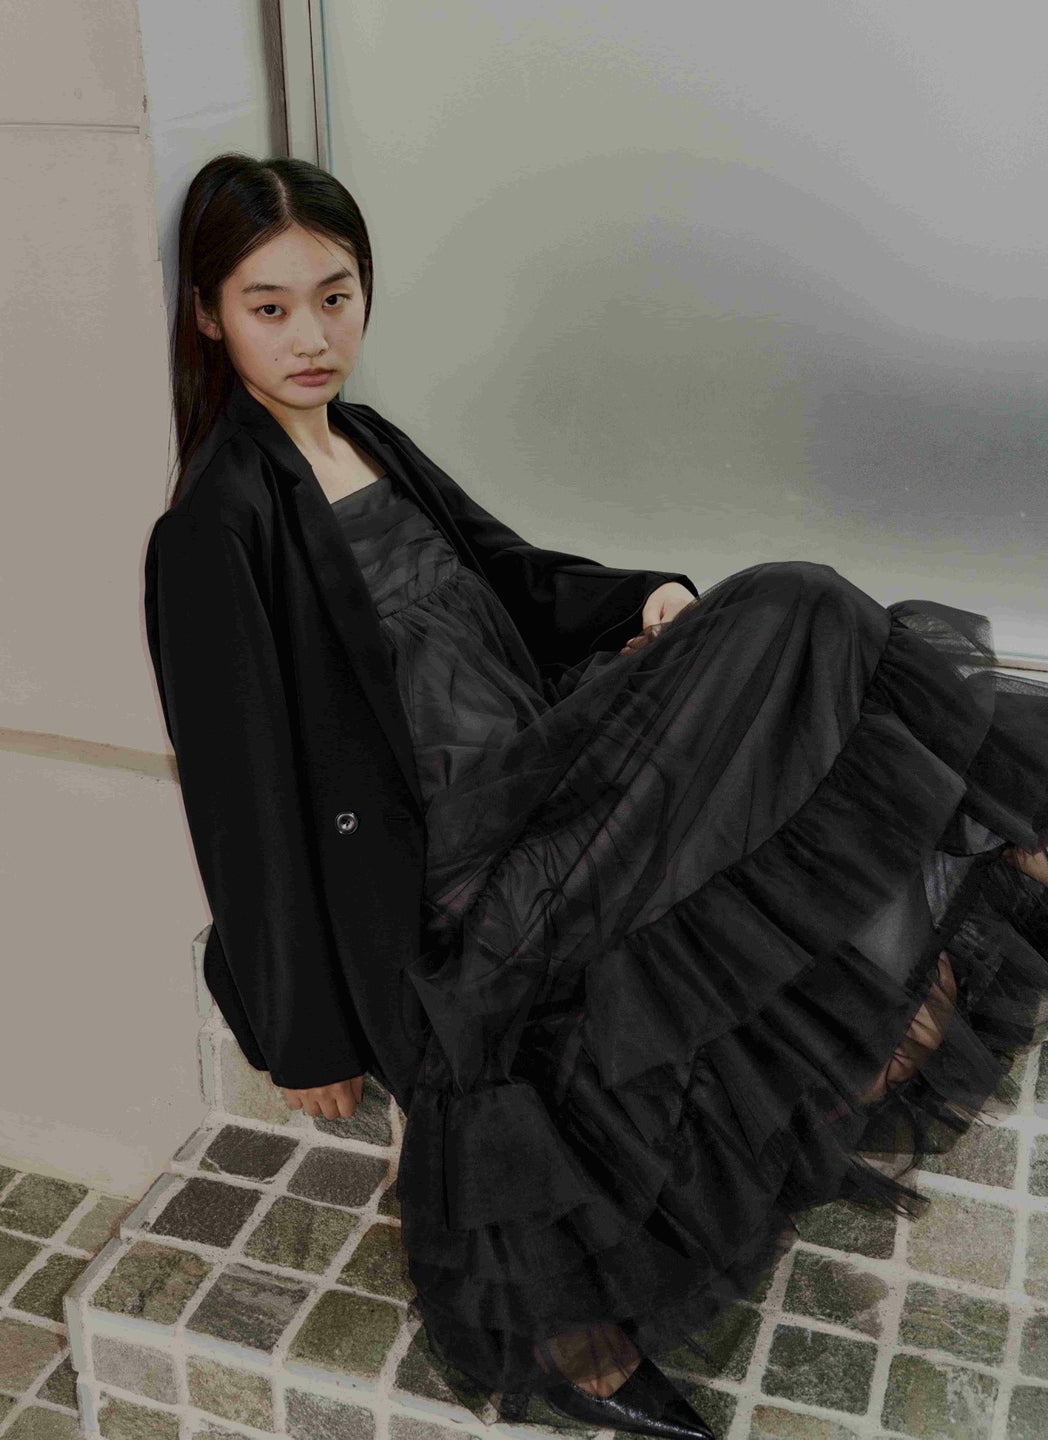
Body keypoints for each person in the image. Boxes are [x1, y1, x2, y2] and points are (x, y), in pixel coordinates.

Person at [144, 152, 1048, 1439]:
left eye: (335, 297)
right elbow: (239, 802)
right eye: (269, 306)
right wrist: (306, 1036)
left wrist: (642, 600)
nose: (312, 336)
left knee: (794, 631)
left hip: (544, 771)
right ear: (207, 314)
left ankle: (995, 832)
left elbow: (508, 573)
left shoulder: (366, 438)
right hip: (452, 866)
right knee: (797, 603)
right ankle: (1010, 824)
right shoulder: (214, 526)